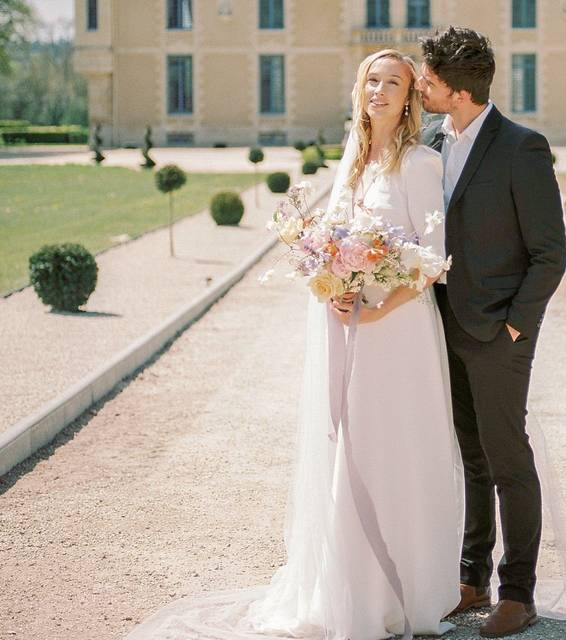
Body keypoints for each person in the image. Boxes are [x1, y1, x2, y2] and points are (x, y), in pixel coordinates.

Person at [124, 48, 463, 640]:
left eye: (393, 83)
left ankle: (403, 590)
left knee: (393, 450)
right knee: (344, 451)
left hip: (397, 334)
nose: (379, 91)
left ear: (410, 97)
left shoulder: (420, 163)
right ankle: (346, 587)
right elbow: (326, 244)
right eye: (371, 81)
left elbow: (430, 261)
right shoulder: (352, 160)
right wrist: (329, 286)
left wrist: (381, 306)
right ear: (359, 91)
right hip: (343, 326)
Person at [416, 26, 566, 638]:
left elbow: (549, 254)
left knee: (508, 460)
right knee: (470, 458)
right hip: (440, 326)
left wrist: (514, 327)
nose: (420, 88)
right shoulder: (428, 142)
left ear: (456, 91)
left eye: (428, 81)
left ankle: (519, 592)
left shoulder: (521, 148)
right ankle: (471, 577)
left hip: (498, 334)